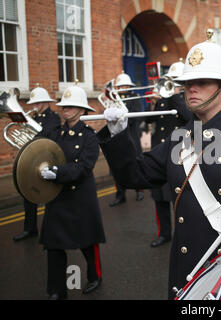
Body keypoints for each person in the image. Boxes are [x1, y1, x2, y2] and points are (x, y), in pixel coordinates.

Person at [98, 31, 221, 299]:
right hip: (190, 266)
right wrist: (118, 135)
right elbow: (132, 175)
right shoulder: (180, 139)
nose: (191, 88)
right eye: (188, 82)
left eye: (202, 82)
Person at [39, 83, 106, 300]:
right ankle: (57, 289)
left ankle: (95, 275)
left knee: (87, 241)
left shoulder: (90, 136)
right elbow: (43, 153)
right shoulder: (56, 133)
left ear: (80, 109)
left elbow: (83, 168)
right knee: (54, 245)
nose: (64, 109)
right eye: (64, 106)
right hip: (58, 195)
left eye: (69, 106)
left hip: (80, 196)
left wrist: (56, 172)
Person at [146, 60, 192, 247]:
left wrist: (174, 96)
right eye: (171, 80)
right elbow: (150, 119)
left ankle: (185, 235)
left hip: (180, 152)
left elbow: (188, 118)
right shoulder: (163, 99)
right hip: (161, 150)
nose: (172, 83)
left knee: (180, 198)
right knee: (159, 196)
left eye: (176, 80)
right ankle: (164, 233)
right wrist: (154, 102)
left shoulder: (186, 100)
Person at [13, 85, 61, 242]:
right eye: (34, 104)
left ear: (46, 102)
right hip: (33, 161)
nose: (35, 106)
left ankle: (53, 229)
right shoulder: (33, 118)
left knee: (50, 196)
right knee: (29, 194)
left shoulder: (54, 118)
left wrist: (32, 134)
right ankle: (30, 229)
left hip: (48, 160)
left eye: (38, 103)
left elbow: (49, 139)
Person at [109, 72, 144, 206]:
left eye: (125, 86)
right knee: (118, 165)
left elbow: (138, 116)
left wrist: (123, 116)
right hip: (118, 136)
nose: (123, 88)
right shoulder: (114, 99)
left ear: (130, 86)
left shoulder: (134, 97)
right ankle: (120, 194)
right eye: (121, 86)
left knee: (135, 164)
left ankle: (139, 190)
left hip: (131, 135)